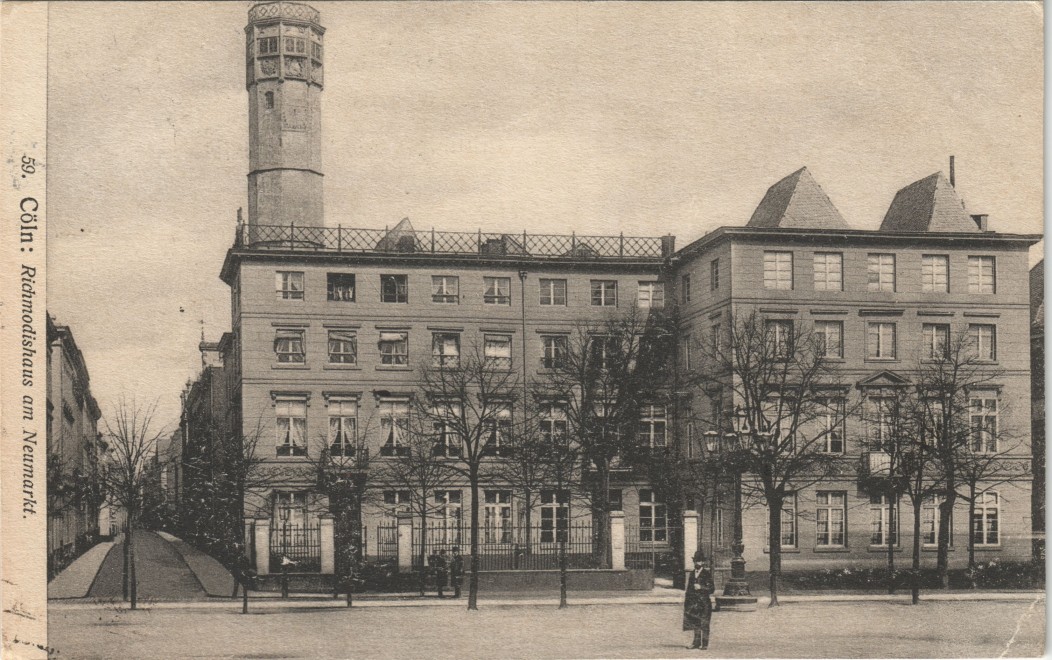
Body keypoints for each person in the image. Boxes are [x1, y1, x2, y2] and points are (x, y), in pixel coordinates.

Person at [683, 550, 715, 650]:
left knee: (704, 623)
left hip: (704, 603)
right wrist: (687, 603)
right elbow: (688, 590)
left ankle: (704, 644)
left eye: (699, 561)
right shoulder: (692, 574)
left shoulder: (706, 574)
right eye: (696, 561)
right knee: (695, 623)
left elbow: (712, 589)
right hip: (694, 603)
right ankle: (696, 643)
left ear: (703, 563)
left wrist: (701, 587)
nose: (697, 563)